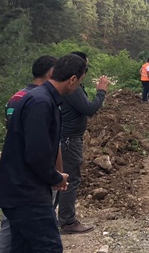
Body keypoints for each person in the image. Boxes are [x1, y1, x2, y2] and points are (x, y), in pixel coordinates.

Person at [0, 54, 87, 253]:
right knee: (49, 246)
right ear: (72, 80)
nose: (77, 87)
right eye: (79, 82)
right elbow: (36, 154)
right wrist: (56, 178)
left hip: (19, 190)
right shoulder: (41, 103)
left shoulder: (42, 98)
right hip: (27, 194)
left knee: (21, 248)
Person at [0, 55, 57, 253]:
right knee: (45, 240)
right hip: (32, 180)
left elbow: (12, 132)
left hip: (13, 174)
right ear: (50, 72)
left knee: (13, 227)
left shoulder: (15, 98)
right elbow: (41, 144)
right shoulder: (43, 100)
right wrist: (56, 174)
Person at [57, 51, 110, 235]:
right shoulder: (73, 88)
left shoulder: (67, 86)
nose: (85, 72)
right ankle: (67, 222)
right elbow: (89, 108)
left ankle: (58, 218)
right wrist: (101, 91)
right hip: (70, 140)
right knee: (70, 179)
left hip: (67, 138)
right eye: (84, 68)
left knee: (61, 178)